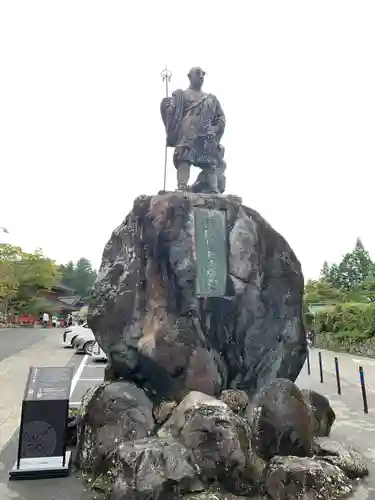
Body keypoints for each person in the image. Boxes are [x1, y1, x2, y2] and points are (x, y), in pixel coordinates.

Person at [160, 67, 226, 193]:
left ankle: (213, 189)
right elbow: (172, 113)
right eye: (197, 74)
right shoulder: (182, 95)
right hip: (188, 131)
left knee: (209, 162)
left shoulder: (211, 99)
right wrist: (168, 109)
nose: (200, 77)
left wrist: (215, 128)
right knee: (184, 157)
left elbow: (221, 117)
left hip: (206, 133)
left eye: (202, 74)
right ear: (189, 76)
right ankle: (182, 185)